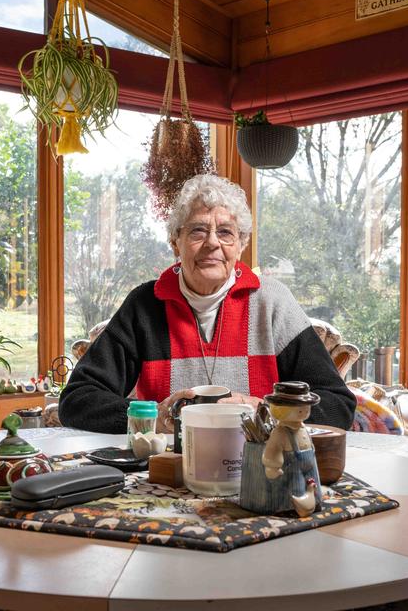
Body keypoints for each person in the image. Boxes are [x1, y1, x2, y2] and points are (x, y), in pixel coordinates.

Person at [60, 174, 355, 433]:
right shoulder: (145, 305)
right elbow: (77, 399)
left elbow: (336, 403)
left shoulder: (272, 303)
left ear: (241, 245)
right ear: (176, 242)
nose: (212, 242)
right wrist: (154, 417)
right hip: (165, 473)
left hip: (260, 470)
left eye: (225, 232)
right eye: (198, 231)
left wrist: (265, 412)